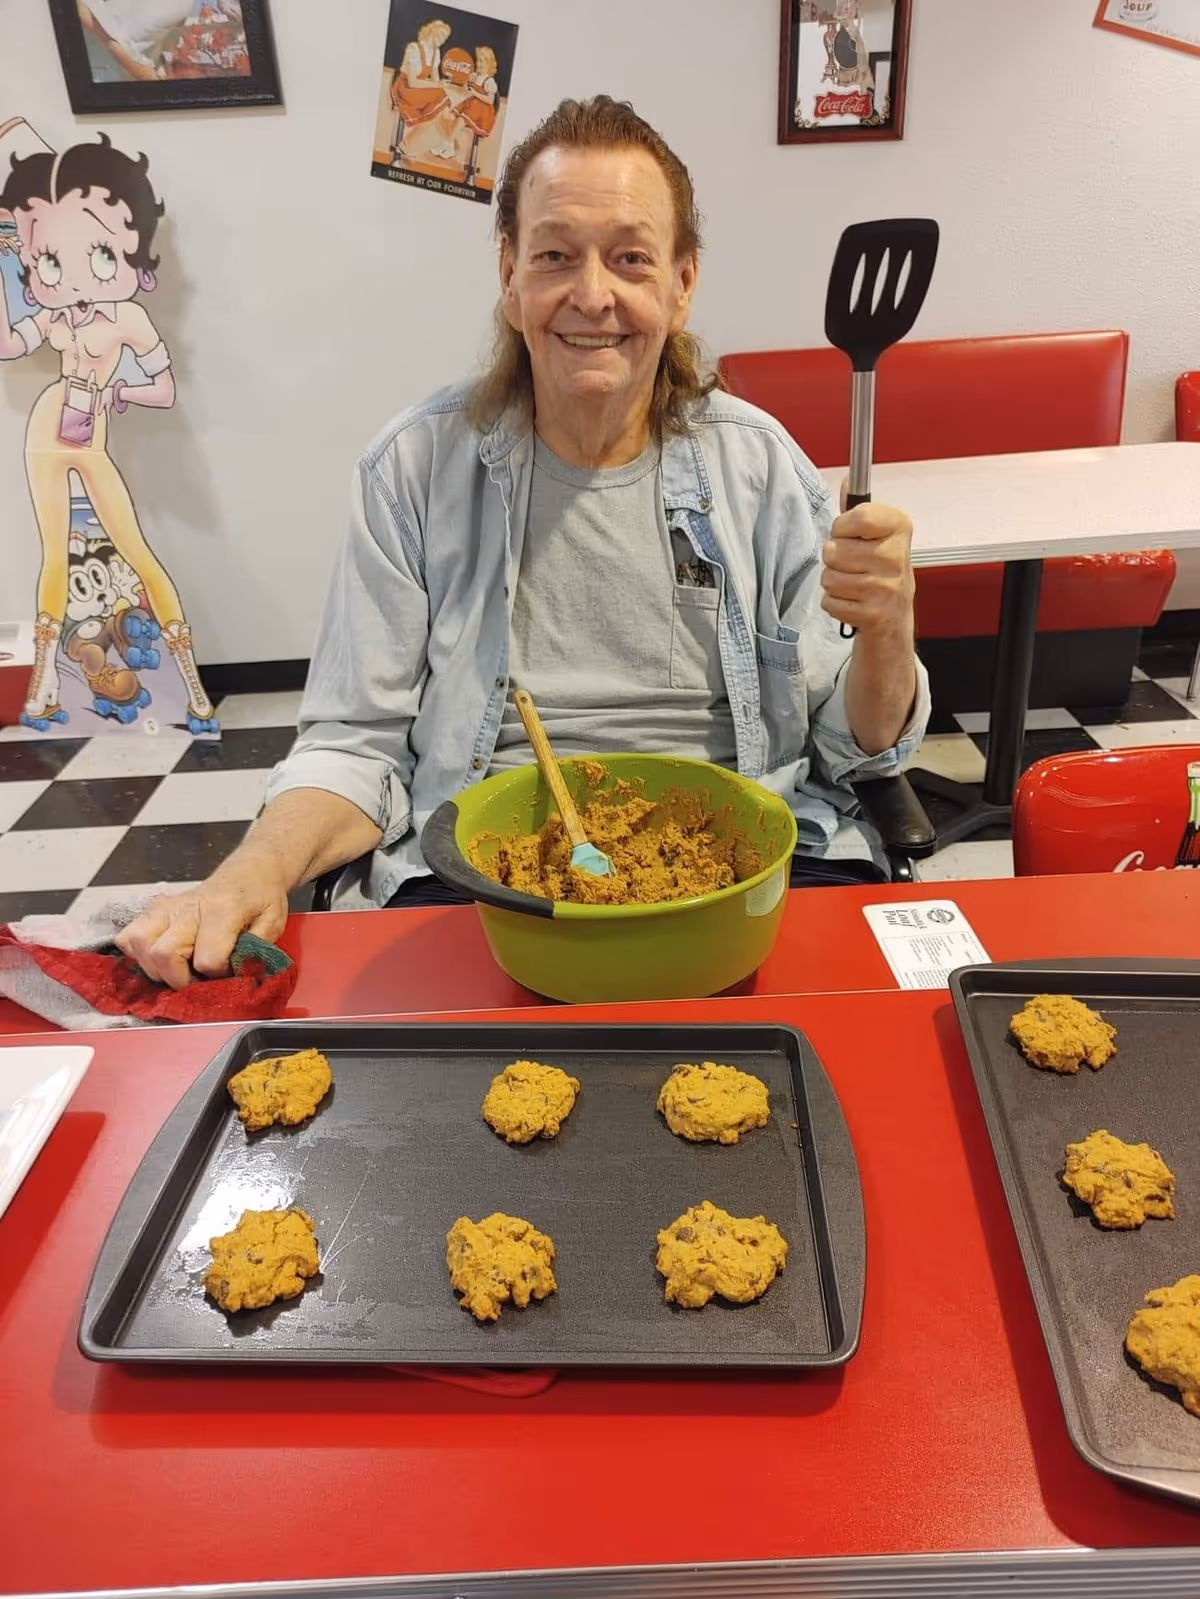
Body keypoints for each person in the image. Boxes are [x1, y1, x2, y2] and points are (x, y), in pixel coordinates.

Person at [119, 94, 929, 989]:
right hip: (474, 882)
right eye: (554, 255)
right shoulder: (412, 471)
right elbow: (354, 746)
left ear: (682, 279)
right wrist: (253, 870)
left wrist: (889, 627)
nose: (593, 295)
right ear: (509, 275)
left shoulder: (763, 470)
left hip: (742, 871)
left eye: (630, 258)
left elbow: (861, 751)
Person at [0, 133, 218, 733]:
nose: (68, 278)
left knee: (137, 549)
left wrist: (117, 392)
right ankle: (44, 689)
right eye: (49, 262)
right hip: (48, 429)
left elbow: (166, 389)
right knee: (55, 559)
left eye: (97, 255)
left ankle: (195, 693)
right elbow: (8, 343)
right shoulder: (51, 314)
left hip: (89, 430)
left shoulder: (128, 318)